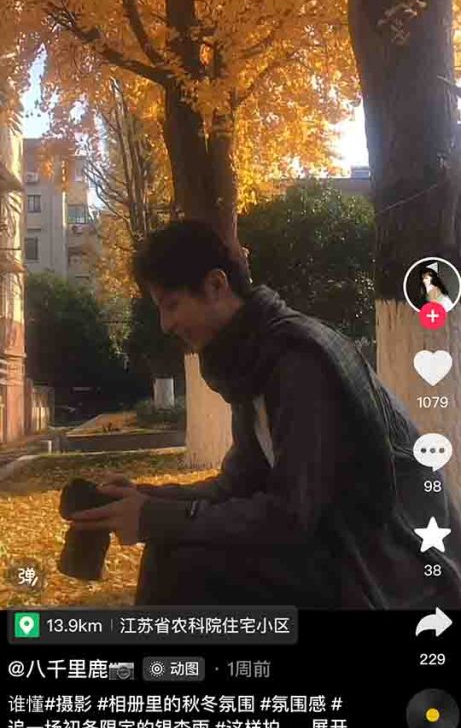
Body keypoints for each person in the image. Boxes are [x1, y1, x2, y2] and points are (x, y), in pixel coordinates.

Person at [69, 221, 461, 609]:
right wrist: (143, 498)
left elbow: (291, 514)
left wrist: (158, 517)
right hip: (330, 541)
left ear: (217, 285)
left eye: (172, 306)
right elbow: (238, 486)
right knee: (171, 544)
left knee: (185, 562)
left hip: (380, 557)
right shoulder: (251, 360)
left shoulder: (297, 361)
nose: (166, 325)